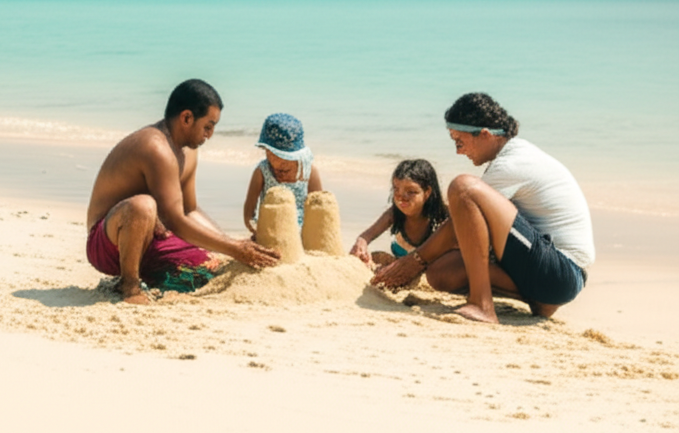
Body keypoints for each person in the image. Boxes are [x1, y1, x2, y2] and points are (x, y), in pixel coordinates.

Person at [373, 93, 595, 324]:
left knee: (463, 187)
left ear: (486, 135)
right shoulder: (509, 158)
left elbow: (456, 225)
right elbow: (466, 225)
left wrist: (413, 262)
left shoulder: (513, 163)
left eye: (459, 141)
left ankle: (482, 304)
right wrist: (418, 261)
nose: (458, 151)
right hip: (549, 275)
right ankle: (539, 301)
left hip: (561, 272)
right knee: (441, 273)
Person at [86, 79, 280, 304]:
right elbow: (175, 220)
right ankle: (129, 287)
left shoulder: (189, 150)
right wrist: (235, 249)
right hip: (107, 241)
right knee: (143, 205)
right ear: (187, 118)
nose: (210, 135)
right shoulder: (156, 147)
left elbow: (189, 210)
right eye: (208, 126)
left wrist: (229, 244)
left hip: (151, 238)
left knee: (207, 267)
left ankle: (150, 273)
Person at [350, 159, 449, 268]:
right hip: (399, 262)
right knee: (372, 258)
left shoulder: (441, 215)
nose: (401, 197)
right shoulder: (394, 214)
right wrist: (361, 245)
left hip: (433, 268)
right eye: (396, 189)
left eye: (411, 192)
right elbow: (366, 236)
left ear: (427, 192)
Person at [243, 113, 323, 236]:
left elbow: (318, 210)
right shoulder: (262, 172)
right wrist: (258, 231)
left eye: (285, 170)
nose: (279, 174)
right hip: (270, 230)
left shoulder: (309, 172)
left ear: (298, 157)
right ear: (267, 152)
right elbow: (249, 214)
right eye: (276, 170)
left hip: (302, 233)